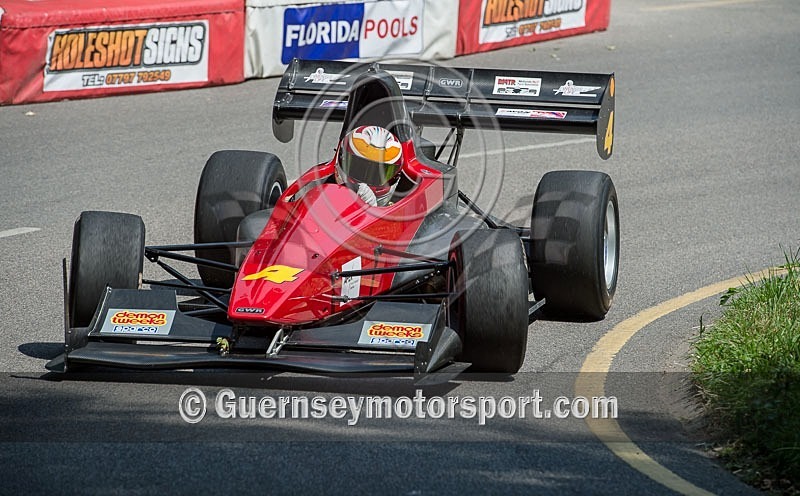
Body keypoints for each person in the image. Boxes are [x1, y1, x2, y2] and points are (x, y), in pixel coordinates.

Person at [335, 125, 403, 207]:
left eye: (377, 175)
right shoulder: (317, 183)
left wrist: (372, 211)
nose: (365, 186)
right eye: (359, 169)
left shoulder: (408, 207)